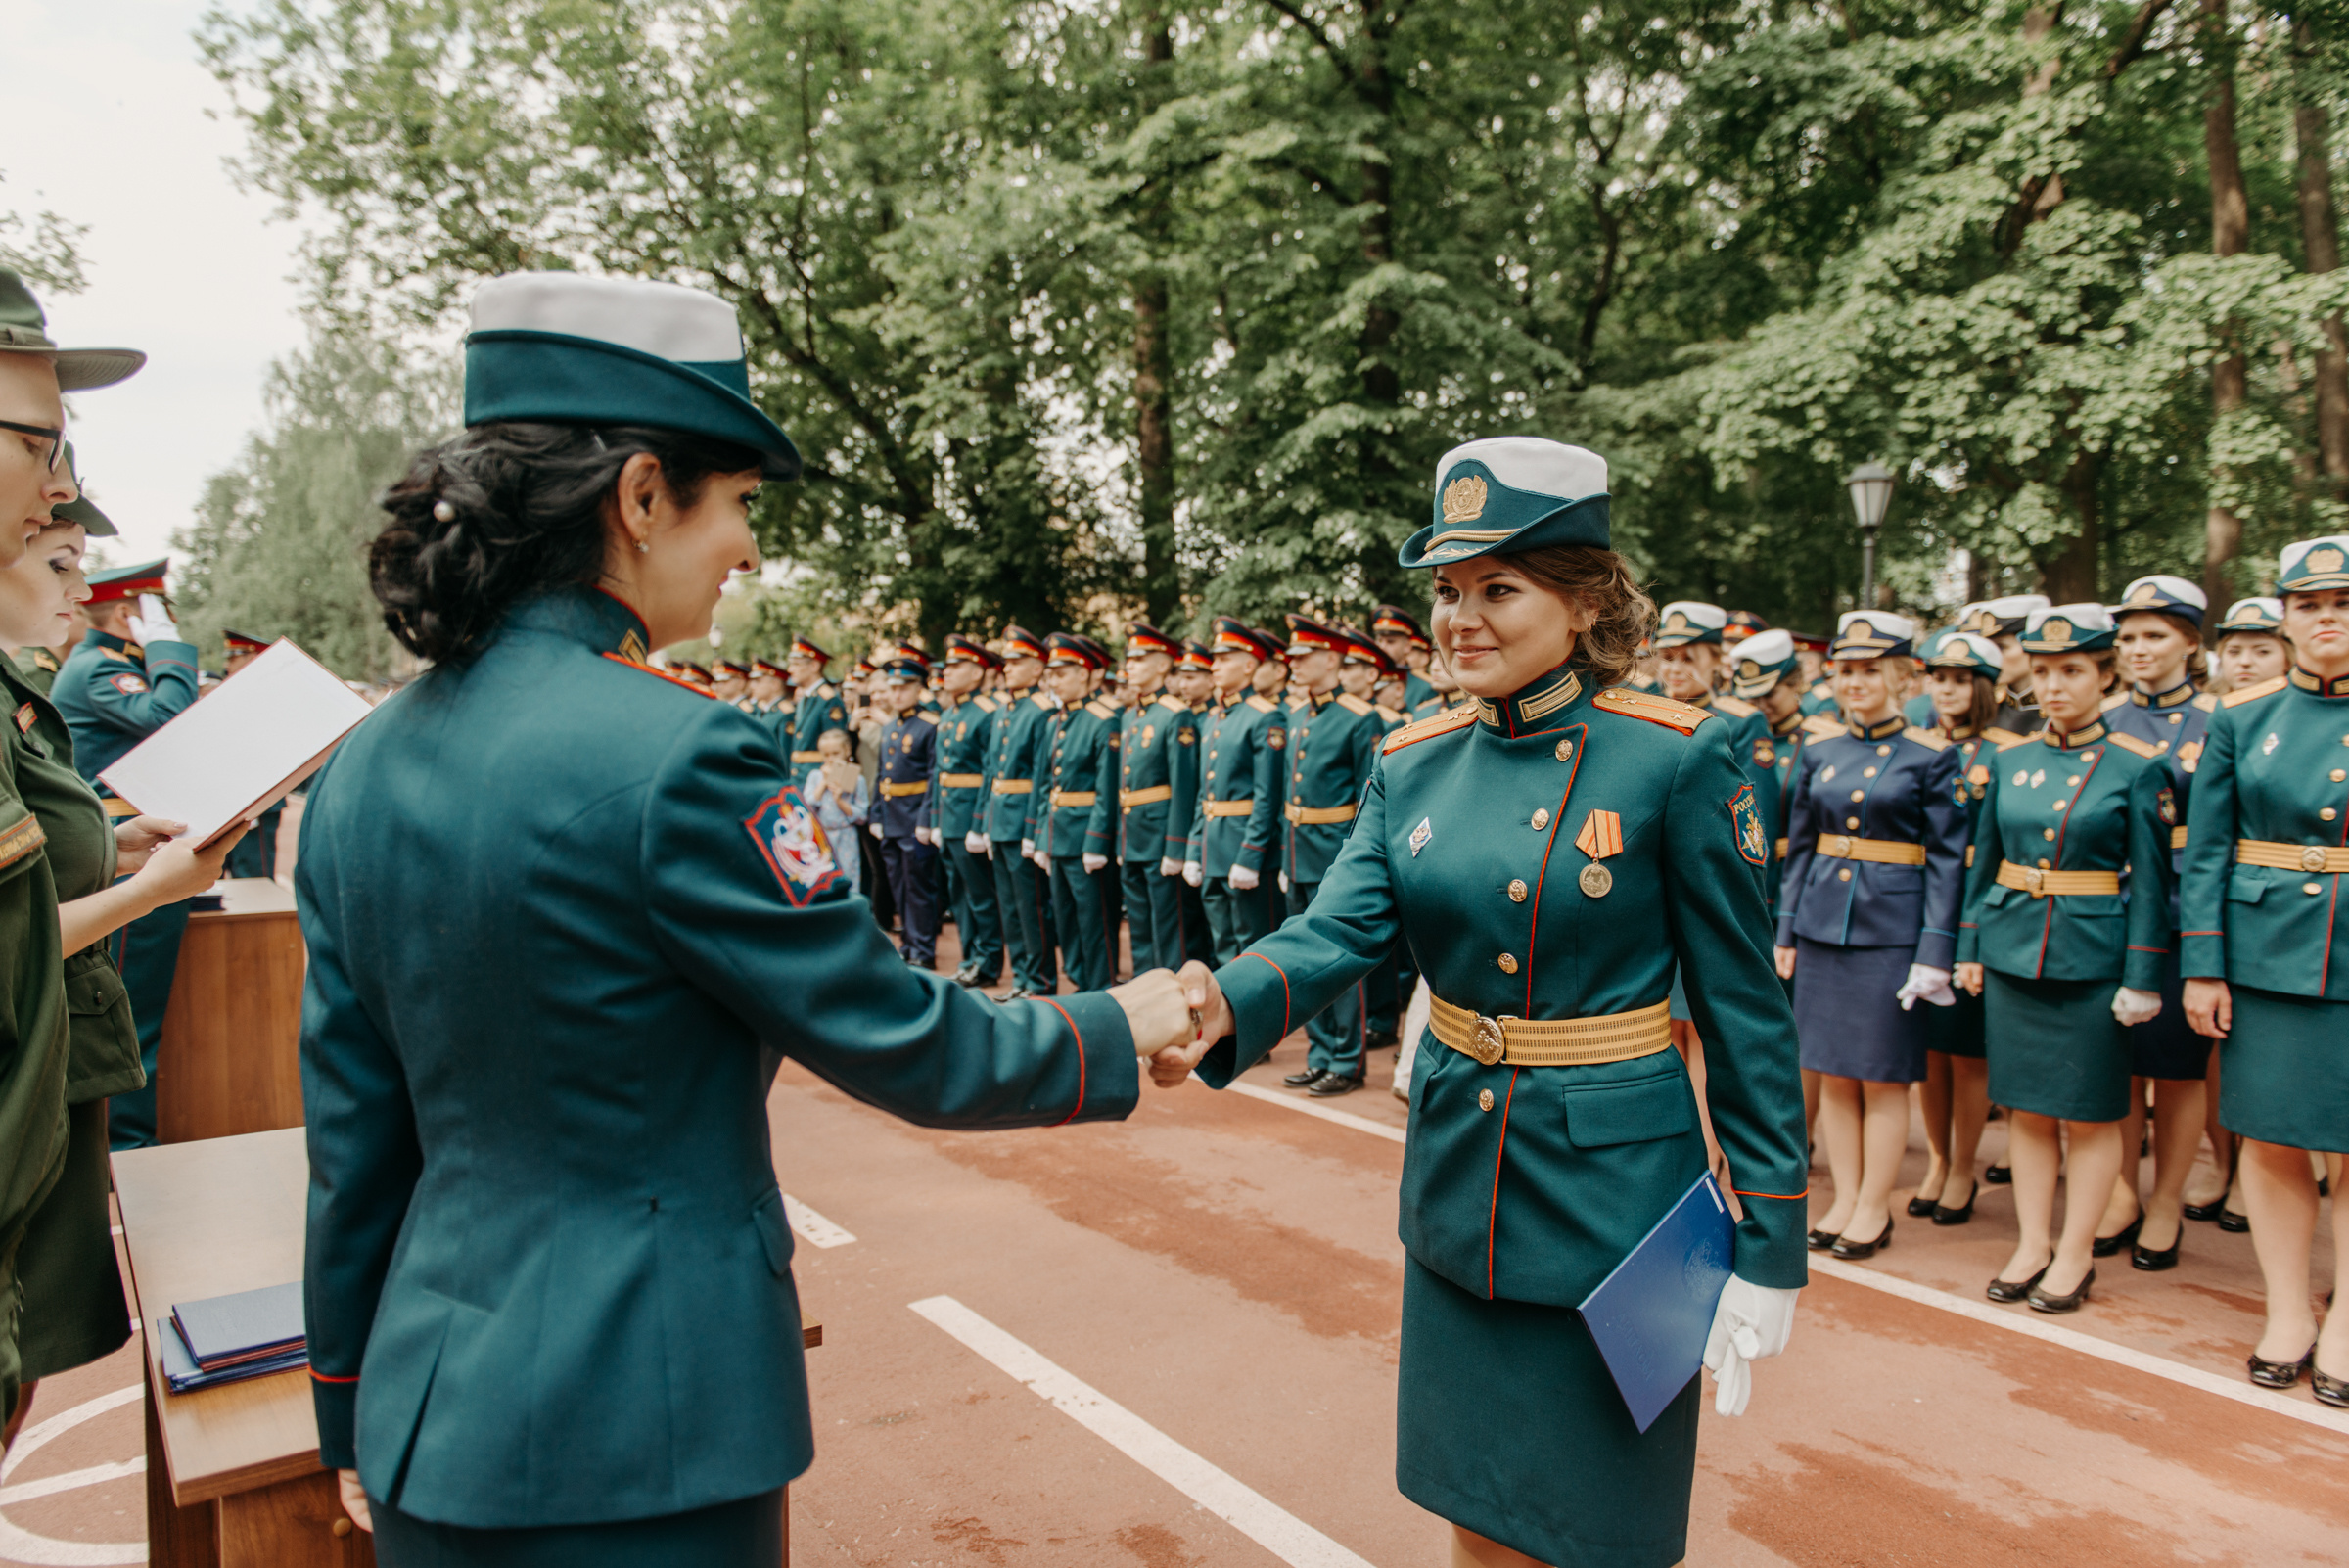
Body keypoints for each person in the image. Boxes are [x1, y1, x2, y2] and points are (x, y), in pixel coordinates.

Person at [301, 272, 1196, 1558]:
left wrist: (345, 1412)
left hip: (431, 1422)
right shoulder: (682, 757)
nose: (750, 551)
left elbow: (356, 1144)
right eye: (740, 505)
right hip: (654, 1433)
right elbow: (902, 1037)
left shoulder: (363, 764)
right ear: (642, 494)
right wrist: (1117, 1018)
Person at [1163, 436, 1806, 1568]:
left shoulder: (1677, 759)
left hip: (1619, 1214)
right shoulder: (1412, 757)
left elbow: (1747, 1011)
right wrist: (1221, 1002)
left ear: (1584, 602)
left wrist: (1770, 1243)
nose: (1460, 617)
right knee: (1477, 1507)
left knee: (1603, 1530)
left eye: (1498, 589)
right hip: (1463, 1190)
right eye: (1448, 591)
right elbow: (1341, 930)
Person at [0, 506, 247, 1446]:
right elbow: (168, 730)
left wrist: (107, 842)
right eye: (60, 562)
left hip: (52, 1046)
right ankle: (135, 1169)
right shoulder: (90, 668)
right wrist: (143, 889)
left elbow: (40, 846)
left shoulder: (23, 691)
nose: (79, 589)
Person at [1957, 603, 2173, 1312]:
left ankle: (2075, 1252)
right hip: (2016, 952)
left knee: (2090, 1113)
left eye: (2073, 671)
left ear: (2105, 677)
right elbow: (1982, 864)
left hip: (2092, 960)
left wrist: (2142, 974)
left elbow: (2151, 882)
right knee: (2024, 1110)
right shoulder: (2008, 757)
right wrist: (1970, 946)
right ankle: (2031, 1241)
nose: (2055, 686)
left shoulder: (2137, 767)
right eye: (2044, 671)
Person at [2182, 535, 2349, 1404]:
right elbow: (2205, 852)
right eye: (2311, 606)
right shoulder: (2243, 718)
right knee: (2275, 1136)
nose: (2328, 621)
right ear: (2286, 619)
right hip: (2266, 957)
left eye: (2343, 605)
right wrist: (2203, 966)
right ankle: (2288, 1309)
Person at [1776, 611, 1965, 1262]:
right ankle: (1844, 1196)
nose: (1855, 683)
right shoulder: (1820, 750)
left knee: (1883, 1075)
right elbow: (1799, 850)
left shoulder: (1934, 756)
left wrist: (1936, 949)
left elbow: (1946, 859)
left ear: (1897, 675)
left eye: (1868, 671)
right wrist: (1787, 927)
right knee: (1830, 1072)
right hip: (1825, 926)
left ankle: (1874, 1205)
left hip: (1892, 932)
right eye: (1846, 671)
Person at [50, 558, 201, 1152]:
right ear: (125, 614)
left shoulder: (105, 666)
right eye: (157, 616)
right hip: (125, 861)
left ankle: (126, 1148)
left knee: (139, 1013)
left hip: (133, 849)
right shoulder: (100, 669)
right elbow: (171, 718)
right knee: (131, 1018)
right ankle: (125, 1152)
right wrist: (167, 652)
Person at [2098, 575, 2218, 1268]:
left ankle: (2166, 1199)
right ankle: (2119, 1189)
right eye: (2129, 637)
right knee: (2116, 1064)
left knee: (2175, 1069)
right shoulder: (2105, 718)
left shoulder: (2219, 720)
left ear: (2189, 643)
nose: (2138, 649)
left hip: (2178, 911)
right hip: (2108, 910)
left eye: (2155, 635)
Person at [1907, 628, 2019, 1227]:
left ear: (1984, 688)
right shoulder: (1918, 745)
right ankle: (1937, 1159)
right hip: (1921, 905)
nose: (1945, 690)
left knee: (1966, 1053)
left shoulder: (2005, 751)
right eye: (1937, 679)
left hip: (1976, 905)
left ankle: (1963, 1167)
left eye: (1958, 680)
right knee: (1928, 1051)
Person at [1271, 615, 1386, 1096]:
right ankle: (1319, 1053)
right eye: (1292, 658)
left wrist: (1353, 861)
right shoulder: (1296, 715)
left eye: (1304, 657)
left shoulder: (1361, 717)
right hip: (1297, 852)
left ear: (1332, 659)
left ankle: (1346, 1059)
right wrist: (1282, 857)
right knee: (1303, 960)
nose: (1294, 665)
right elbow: (1286, 794)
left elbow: (1368, 799)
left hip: (1335, 853)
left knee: (1337, 959)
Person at [1184, 617, 1284, 964]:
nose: (1215, 667)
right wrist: (1194, 848)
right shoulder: (1212, 719)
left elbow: (1267, 795)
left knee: (1254, 948)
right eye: (1215, 658)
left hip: (1243, 848)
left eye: (1225, 659)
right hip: (1213, 847)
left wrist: (1251, 855)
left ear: (1248, 665)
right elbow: (1204, 793)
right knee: (1223, 944)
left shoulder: (1264, 717)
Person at [1034, 633, 1119, 992]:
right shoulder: (1055, 721)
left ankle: (1100, 989)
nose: (1053, 681)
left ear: (1084, 674)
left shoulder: (1103, 720)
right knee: (1066, 919)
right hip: (1058, 836)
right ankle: (1081, 981)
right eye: (1050, 674)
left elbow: (1107, 789)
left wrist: (1096, 842)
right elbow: (1045, 786)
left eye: (1061, 673)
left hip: (1085, 837)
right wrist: (1040, 837)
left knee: (1094, 921)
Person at [1114, 623, 1200, 972]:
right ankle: (1144, 989)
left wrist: (1176, 846)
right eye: (1129, 658)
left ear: (1163, 665)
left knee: (1169, 927)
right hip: (1133, 835)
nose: (1130, 665)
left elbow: (1184, 786)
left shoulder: (1175, 713)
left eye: (1140, 658)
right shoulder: (1130, 716)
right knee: (1138, 925)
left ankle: (1176, 1003)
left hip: (1160, 835)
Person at [985, 625, 1058, 998]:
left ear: (1037, 669)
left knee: (1031, 907)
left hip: (1021, 818)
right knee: (1010, 907)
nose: (1008, 668)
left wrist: (1032, 828)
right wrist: (984, 821)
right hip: (999, 818)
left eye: (1018, 662)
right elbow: (990, 770)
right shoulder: (1003, 710)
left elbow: (1042, 775)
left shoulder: (1043, 711)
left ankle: (1041, 980)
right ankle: (1022, 978)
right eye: (1007, 662)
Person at [931, 635, 1004, 988]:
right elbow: (938, 772)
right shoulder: (949, 713)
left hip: (968, 815)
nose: (948, 672)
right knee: (959, 896)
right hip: (948, 816)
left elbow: (991, 771)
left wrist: (979, 823)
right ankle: (970, 957)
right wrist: (933, 818)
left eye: (957, 666)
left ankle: (988, 962)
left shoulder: (988, 713)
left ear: (977, 673)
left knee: (980, 896)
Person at [871, 658, 941, 968]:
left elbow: (933, 778)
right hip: (891, 819)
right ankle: (909, 945)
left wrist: (925, 820)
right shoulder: (890, 728)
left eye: (904, 688)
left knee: (918, 891)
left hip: (914, 820)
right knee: (898, 887)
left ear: (919, 688)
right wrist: (876, 815)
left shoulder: (929, 726)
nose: (896, 694)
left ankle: (923, 951)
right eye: (893, 688)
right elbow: (880, 777)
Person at [215, 629, 291, 881]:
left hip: (255, 799)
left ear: (253, 657)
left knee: (253, 879)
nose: (226, 664)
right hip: (226, 800)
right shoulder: (232, 693)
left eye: (233, 657)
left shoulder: (269, 696)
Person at [800, 727, 867, 894]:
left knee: (849, 874)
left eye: (835, 753)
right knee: (823, 878)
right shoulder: (815, 776)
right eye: (826, 754)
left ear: (846, 751)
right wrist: (823, 783)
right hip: (822, 835)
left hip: (846, 835)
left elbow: (862, 815)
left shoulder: (857, 778)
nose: (830, 759)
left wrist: (839, 800)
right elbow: (807, 806)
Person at [784, 636, 849, 769]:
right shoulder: (806, 697)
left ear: (814, 666)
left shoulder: (828, 699)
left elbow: (836, 748)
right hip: (800, 776)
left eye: (796, 664)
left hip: (817, 776)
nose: (790, 670)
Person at [2212, 596, 2288, 694]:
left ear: (2288, 658)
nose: (2245, 662)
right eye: (2234, 652)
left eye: (2262, 652)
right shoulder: (2204, 708)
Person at [1373, 604, 1438, 712]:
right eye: (1379, 640)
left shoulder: (1424, 688)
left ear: (1407, 647)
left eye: (1390, 642)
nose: (1382, 647)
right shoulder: (1367, 679)